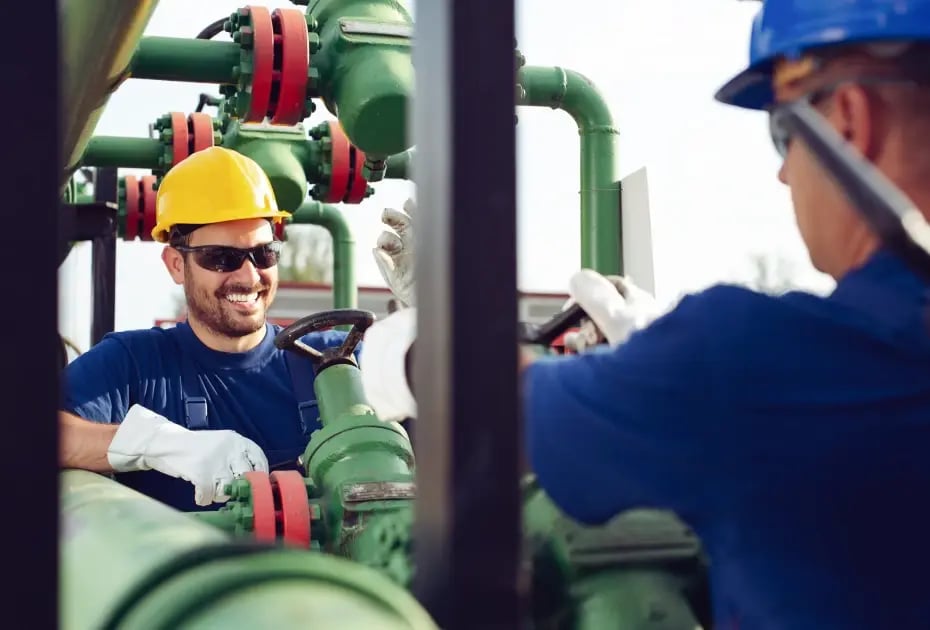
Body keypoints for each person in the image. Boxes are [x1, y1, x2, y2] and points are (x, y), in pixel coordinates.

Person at [360, 2, 930, 628]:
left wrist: (414, 334)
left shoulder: (745, 363)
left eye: (783, 135)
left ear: (848, 120)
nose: (784, 173)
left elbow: (493, 407)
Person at [59, 146, 358, 511]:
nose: (249, 276)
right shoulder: (133, 365)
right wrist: (156, 444)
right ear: (175, 265)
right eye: (222, 258)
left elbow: (428, 384)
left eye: (264, 254)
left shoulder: (333, 361)